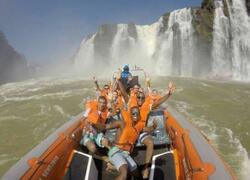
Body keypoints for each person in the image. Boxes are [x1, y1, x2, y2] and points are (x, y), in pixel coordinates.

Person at [103, 106, 157, 180]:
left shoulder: (138, 127)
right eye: (133, 113)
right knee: (124, 173)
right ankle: (113, 165)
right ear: (130, 115)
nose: (135, 115)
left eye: (137, 114)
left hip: (126, 153)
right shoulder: (122, 123)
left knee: (136, 174)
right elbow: (105, 127)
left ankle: (112, 166)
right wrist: (95, 126)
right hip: (116, 151)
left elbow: (149, 129)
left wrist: (154, 126)